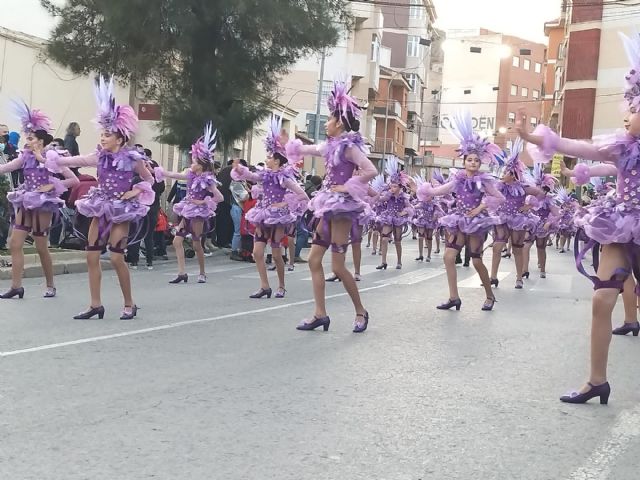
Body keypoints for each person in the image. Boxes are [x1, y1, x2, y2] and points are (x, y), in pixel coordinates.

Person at [513, 30, 640, 404]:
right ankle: (596, 380)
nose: (629, 116)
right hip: (622, 228)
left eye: (636, 109)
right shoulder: (622, 148)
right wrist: (533, 139)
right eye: (630, 108)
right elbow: (579, 147)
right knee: (602, 300)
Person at [46, 76, 155, 320]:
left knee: (116, 257)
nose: (102, 138)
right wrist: (54, 158)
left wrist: (136, 191)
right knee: (91, 255)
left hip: (121, 210)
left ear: (120, 138)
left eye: (107, 134)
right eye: (102, 134)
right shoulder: (99, 157)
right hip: (101, 206)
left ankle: (129, 303)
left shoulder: (133, 159)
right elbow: (76, 160)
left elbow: (149, 179)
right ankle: (95, 305)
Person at [287, 79, 377, 333]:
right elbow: (310, 148)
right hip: (327, 206)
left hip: (342, 209)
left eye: (329, 119)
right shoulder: (328, 146)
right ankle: (320, 314)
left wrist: (347, 187)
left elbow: (371, 170)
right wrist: (292, 145)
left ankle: (361, 311)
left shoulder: (349, 149)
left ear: (339, 123)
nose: (326, 123)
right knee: (314, 260)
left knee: (337, 266)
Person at [420, 110, 505, 311]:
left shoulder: (485, 181)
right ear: (464, 161)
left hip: (476, 223)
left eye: (476, 160)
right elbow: (441, 190)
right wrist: (425, 190)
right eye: (469, 159)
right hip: (458, 221)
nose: (473, 162)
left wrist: (480, 208)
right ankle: (454, 297)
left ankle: (489, 295)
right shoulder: (457, 179)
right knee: (448, 257)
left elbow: (498, 198)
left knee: (476, 261)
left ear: (480, 162)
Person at [0, 102, 79, 299]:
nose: (27, 141)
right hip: (26, 200)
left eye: (31, 138)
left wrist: (51, 186)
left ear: (41, 141)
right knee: (15, 243)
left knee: (41, 246)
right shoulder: (25, 157)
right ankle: (16, 286)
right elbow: (7, 167)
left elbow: (73, 180)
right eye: (27, 137)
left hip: (43, 203)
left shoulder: (52, 157)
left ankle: (50, 284)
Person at [232, 115, 309, 299]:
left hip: (277, 217)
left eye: (269, 157)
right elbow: (252, 176)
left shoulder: (285, 178)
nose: (266, 159)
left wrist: (285, 203)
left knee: (275, 254)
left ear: (277, 161)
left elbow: (303, 196)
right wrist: (240, 169)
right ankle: (265, 286)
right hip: (263, 215)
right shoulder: (265, 175)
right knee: (257, 252)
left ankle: (281, 286)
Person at [155, 123, 223, 283]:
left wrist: (202, 201)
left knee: (196, 244)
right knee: (176, 241)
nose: (191, 164)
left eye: (194, 161)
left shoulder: (208, 180)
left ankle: (202, 272)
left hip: (198, 214)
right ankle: (182, 273)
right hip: (187, 211)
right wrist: (159, 172)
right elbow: (175, 175)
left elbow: (219, 197)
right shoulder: (190, 175)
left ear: (201, 165)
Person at [488, 139, 543, 289]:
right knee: (497, 246)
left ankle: (519, 278)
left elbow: (540, 193)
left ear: (513, 175)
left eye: (506, 172)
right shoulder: (499, 186)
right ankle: (493, 277)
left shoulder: (523, 187)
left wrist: (528, 205)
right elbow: (489, 194)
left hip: (518, 219)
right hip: (502, 217)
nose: (503, 173)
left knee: (518, 249)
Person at [375, 156, 414, 270]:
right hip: (388, 217)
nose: (392, 188)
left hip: (398, 219)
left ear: (400, 187)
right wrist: (378, 194)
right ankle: (383, 262)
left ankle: (399, 261)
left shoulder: (404, 197)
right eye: (391, 186)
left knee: (397, 241)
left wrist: (403, 213)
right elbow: (381, 199)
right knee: (384, 239)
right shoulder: (388, 195)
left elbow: (410, 208)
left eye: (395, 186)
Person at [229, 159, 249, 261]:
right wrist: (250, 192)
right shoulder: (236, 182)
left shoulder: (241, 181)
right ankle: (234, 251)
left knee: (241, 230)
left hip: (239, 208)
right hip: (237, 207)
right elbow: (244, 196)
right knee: (237, 231)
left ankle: (240, 250)